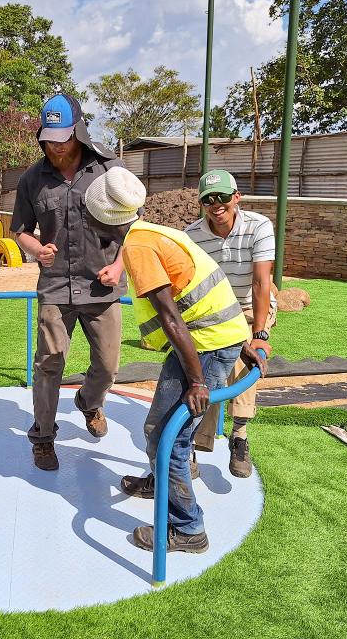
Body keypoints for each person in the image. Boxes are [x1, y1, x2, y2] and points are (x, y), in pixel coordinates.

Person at [81, 166, 266, 553]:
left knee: (168, 436)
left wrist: (198, 380)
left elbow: (170, 316)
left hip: (205, 346)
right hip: (216, 338)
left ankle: (187, 528)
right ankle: (159, 480)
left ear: (101, 218)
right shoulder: (153, 232)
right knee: (160, 430)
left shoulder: (138, 247)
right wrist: (240, 338)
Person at [11, 93, 128, 471]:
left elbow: (134, 231)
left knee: (108, 365)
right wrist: (34, 248)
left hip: (101, 286)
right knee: (48, 364)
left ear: (79, 129)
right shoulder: (32, 178)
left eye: (63, 135)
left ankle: (89, 402)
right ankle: (43, 436)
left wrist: (120, 267)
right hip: (56, 286)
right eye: (49, 137)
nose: (56, 144)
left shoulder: (110, 170)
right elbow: (19, 231)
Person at [185, 169, 276, 478]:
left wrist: (260, 334)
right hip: (214, 311)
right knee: (207, 369)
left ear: (237, 197)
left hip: (251, 307)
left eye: (223, 197)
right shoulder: (192, 235)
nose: (216, 204)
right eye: (208, 199)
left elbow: (261, 282)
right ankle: (195, 443)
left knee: (246, 361)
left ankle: (239, 434)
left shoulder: (258, 226)